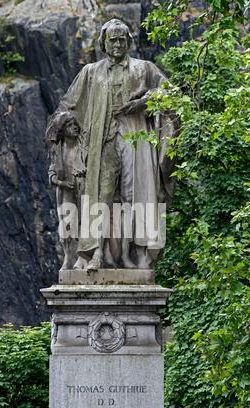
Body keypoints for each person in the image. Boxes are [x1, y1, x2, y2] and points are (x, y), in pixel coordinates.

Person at [47, 19, 178, 270]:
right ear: (104, 44)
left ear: (128, 42)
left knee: (136, 194)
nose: (117, 44)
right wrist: (63, 145)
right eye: (112, 40)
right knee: (101, 195)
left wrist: (143, 102)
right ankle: (97, 252)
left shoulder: (145, 69)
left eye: (121, 40)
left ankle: (137, 254)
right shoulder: (90, 72)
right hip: (101, 140)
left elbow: (170, 96)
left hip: (135, 137)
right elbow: (67, 108)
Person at [47, 112, 87, 270]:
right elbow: (52, 175)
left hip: (82, 189)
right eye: (70, 125)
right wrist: (62, 183)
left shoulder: (82, 147)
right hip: (65, 192)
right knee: (67, 225)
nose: (75, 127)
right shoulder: (58, 150)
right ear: (63, 130)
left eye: (75, 124)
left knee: (83, 222)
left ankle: (82, 257)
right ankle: (69, 257)